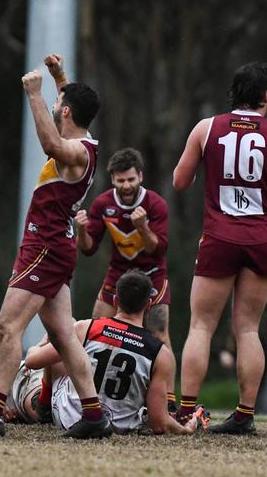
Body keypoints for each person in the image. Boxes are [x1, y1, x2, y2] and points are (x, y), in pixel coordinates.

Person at [0, 54, 111, 438]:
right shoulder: (86, 143)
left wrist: (35, 94)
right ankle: (94, 415)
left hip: (43, 248)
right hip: (56, 249)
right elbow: (67, 111)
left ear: (68, 112)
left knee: (7, 328)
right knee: (61, 334)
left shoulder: (73, 152)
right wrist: (60, 79)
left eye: (61, 104)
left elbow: (48, 140)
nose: (56, 106)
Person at [173, 62, 267, 434]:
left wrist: (209, 162)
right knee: (248, 329)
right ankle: (244, 414)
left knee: (201, 326)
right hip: (261, 238)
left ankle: (186, 409)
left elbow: (180, 181)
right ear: (266, 96)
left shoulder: (207, 128)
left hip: (219, 235)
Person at [24, 270, 198, 435]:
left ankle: (43, 405)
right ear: (149, 305)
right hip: (119, 426)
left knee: (63, 336)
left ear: (115, 301)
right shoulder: (161, 353)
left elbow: (33, 362)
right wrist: (185, 429)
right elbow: (159, 423)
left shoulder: (86, 328)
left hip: (70, 417)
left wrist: (39, 344)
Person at [74, 147, 177, 411]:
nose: (126, 185)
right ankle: (87, 393)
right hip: (117, 277)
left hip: (152, 277)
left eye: (131, 179)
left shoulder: (155, 204)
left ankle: (169, 402)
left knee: (160, 335)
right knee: (95, 329)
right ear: (112, 180)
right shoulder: (102, 204)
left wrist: (142, 227)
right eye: (120, 181)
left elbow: (159, 249)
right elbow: (88, 249)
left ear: (140, 176)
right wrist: (82, 231)